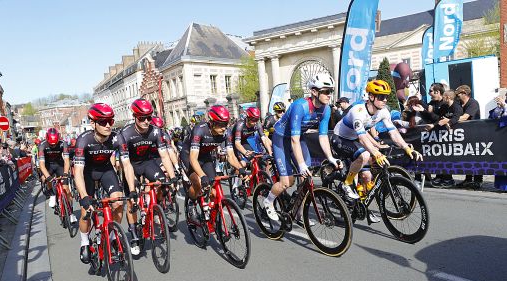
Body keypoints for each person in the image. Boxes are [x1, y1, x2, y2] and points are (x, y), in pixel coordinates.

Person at [331, 79, 423, 223]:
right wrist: (376, 153)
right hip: (340, 138)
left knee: (367, 176)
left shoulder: (383, 112)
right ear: (371, 97)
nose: (385, 100)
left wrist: (405, 147)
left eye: (386, 96)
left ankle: (362, 207)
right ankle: (347, 183)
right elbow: (362, 138)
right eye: (381, 97)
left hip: (354, 138)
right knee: (365, 155)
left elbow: (393, 132)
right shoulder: (358, 111)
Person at [263, 73, 342, 223]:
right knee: (287, 182)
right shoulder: (300, 106)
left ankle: (298, 213)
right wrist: (300, 164)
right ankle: (268, 201)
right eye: (325, 91)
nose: (328, 95)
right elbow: (294, 139)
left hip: (300, 138)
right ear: (314, 91)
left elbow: (323, 136)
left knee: (307, 175)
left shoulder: (325, 110)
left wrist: (331, 157)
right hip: (281, 139)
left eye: (330, 91)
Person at [74, 103, 138, 263]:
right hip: (87, 172)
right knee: (85, 212)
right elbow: (78, 172)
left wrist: (132, 190)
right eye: (103, 122)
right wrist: (84, 197)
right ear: (93, 123)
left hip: (106, 170)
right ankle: (84, 241)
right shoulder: (83, 140)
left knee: (118, 201)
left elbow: (127, 164)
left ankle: (110, 235)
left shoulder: (118, 137)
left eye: (110, 120)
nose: (108, 125)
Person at [117, 100, 177, 255]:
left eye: (149, 118)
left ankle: (152, 207)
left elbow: (164, 156)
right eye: (141, 118)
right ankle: (135, 235)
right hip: (131, 165)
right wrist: (132, 188)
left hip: (148, 162)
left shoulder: (156, 131)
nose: (146, 122)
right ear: (134, 116)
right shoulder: (125, 133)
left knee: (164, 184)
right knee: (132, 200)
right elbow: (125, 164)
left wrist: (173, 176)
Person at [179, 105, 244, 217]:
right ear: (212, 122)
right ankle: (192, 202)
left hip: (205, 157)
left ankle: (212, 217)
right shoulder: (199, 129)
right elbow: (193, 159)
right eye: (220, 124)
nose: (224, 127)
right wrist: (202, 176)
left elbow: (231, 156)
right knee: (198, 182)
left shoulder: (226, 133)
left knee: (214, 189)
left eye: (226, 123)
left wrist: (240, 168)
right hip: (189, 156)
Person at [425, 90, 463, 188]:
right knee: (440, 155)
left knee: (449, 156)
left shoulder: (456, 106)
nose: (443, 98)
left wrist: (449, 123)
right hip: (442, 135)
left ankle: (449, 179)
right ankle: (440, 176)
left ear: (448, 97)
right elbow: (439, 118)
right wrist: (433, 125)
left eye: (445, 96)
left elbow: (456, 118)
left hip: (454, 136)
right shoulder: (444, 106)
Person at [38, 128, 73, 219]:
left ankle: (71, 212)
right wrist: (48, 177)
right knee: (45, 178)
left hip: (59, 164)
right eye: (51, 144)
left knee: (66, 189)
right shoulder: (42, 145)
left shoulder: (63, 143)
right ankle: (52, 195)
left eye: (55, 144)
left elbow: (66, 160)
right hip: (48, 165)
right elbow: (41, 164)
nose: (53, 146)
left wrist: (65, 173)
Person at [455, 85, 483, 189]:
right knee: (467, 157)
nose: (457, 96)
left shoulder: (473, 103)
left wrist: (451, 120)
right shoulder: (458, 104)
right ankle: (468, 179)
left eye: (459, 94)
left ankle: (478, 180)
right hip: (464, 135)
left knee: (476, 157)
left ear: (465, 94)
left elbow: (465, 117)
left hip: (476, 134)